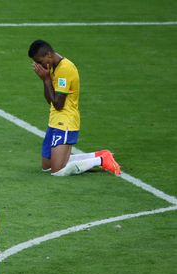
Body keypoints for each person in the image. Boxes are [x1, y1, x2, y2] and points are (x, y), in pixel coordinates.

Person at [28, 39, 121, 176]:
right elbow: (50, 100)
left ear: (49, 55)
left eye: (39, 61)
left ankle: (101, 160)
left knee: (57, 171)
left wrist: (46, 80)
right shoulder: (52, 67)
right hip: (54, 120)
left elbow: (59, 105)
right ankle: (98, 155)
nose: (39, 65)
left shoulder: (65, 69)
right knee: (47, 167)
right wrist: (45, 80)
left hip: (66, 122)